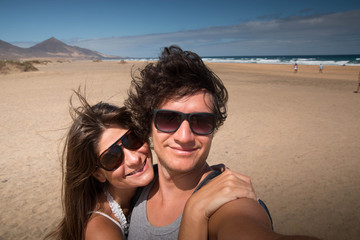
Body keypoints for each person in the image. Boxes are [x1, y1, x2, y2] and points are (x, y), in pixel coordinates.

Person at [125, 45, 320, 239]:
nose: (184, 137)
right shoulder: (135, 186)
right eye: (168, 119)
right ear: (148, 125)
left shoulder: (227, 202)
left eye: (201, 121)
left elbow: (242, 226)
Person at [45, 91, 258, 240]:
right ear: (98, 174)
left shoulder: (140, 188)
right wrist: (195, 211)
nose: (134, 159)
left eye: (132, 140)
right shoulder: (100, 228)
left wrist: (203, 173)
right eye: (112, 157)